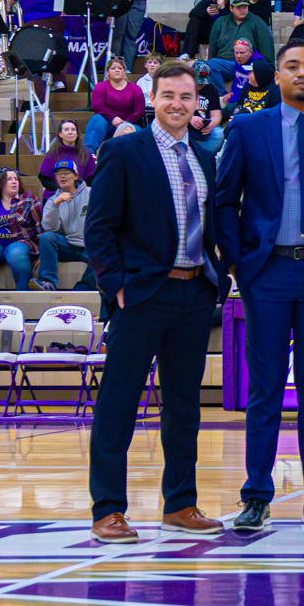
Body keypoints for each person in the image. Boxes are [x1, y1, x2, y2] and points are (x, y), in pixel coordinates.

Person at [217, 40, 304, 533]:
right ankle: (256, 495)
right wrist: (238, 264)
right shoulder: (247, 128)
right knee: (266, 389)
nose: (303, 73)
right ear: (276, 75)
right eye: (293, 66)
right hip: (267, 272)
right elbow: (224, 201)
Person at [82, 61, 223, 543]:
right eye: (169, 96)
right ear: (152, 100)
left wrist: (218, 278)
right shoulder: (123, 151)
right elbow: (97, 228)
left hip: (194, 291)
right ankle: (108, 509)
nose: (178, 105)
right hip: (142, 294)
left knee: (184, 406)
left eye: (187, 97)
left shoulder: (206, 157)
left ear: (196, 103)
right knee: (119, 404)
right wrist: (115, 285)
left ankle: (180, 504)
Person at [35, 160, 91, 291]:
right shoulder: (52, 200)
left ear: (76, 176)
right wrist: (56, 204)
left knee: (103, 253)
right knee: (47, 237)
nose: (62, 176)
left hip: (89, 245)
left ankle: (82, 289)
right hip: (68, 245)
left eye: (66, 173)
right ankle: (47, 282)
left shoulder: (91, 193)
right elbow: (50, 228)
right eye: (59, 174)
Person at [207, 0, 275, 92]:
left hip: (248, 63)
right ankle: (221, 95)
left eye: (245, 7)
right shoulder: (220, 22)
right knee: (209, 65)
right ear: (231, 8)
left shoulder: (257, 22)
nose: (242, 10)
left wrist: (269, 68)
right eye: (239, 7)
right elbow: (213, 47)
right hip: (224, 63)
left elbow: (267, 48)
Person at [84, 58, 145, 152]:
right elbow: (97, 106)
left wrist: (126, 123)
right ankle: (89, 155)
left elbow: (139, 111)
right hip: (107, 123)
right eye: (113, 68)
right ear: (107, 72)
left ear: (124, 71)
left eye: (120, 68)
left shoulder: (135, 89)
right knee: (97, 119)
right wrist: (113, 118)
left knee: (139, 132)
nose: (117, 70)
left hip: (129, 123)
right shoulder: (100, 87)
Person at [38, 119, 95, 192]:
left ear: (77, 133)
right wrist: (62, 190)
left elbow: (91, 178)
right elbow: (44, 179)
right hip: (56, 194)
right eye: (66, 130)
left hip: (80, 194)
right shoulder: (52, 153)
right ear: (60, 134)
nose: (70, 132)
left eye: (73, 130)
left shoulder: (86, 153)